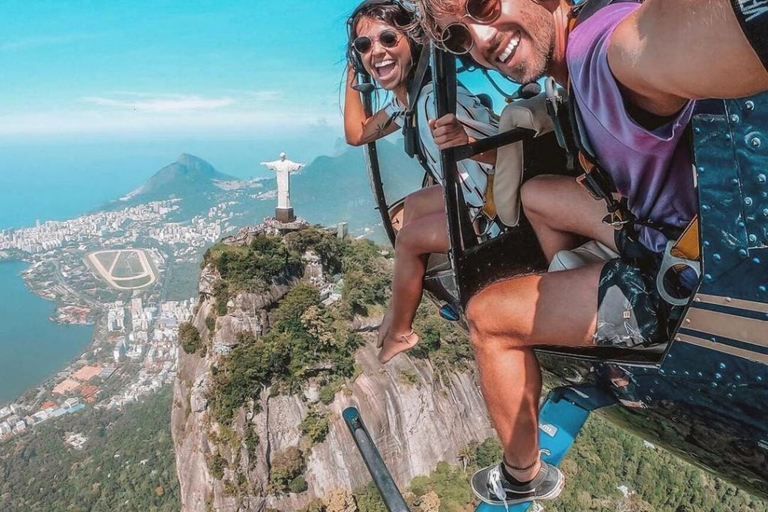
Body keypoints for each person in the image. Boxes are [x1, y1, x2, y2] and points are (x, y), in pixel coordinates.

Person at [411, 0, 768, 506]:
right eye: (460, 38)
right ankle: (579, 297)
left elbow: (667, 41)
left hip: (674, 275)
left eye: (482, 5)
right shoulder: (575, 63)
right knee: (538, 196)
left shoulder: (599, 52)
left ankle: (520, 475)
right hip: (656, 224)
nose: (481, 40)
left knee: (488, 317)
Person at [343, 0, 499, 364]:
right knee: (412, 206)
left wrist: (468, 144)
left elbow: (513, 153)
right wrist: (355, 70)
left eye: (387, 39)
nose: (376, 51)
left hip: (494, 214)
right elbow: (357, 134)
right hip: (472, 195)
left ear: (412, 41)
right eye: (364, 46)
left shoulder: (439, 100)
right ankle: (399, 308)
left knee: (410, 239)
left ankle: (400, 330)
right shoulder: (406, 103)